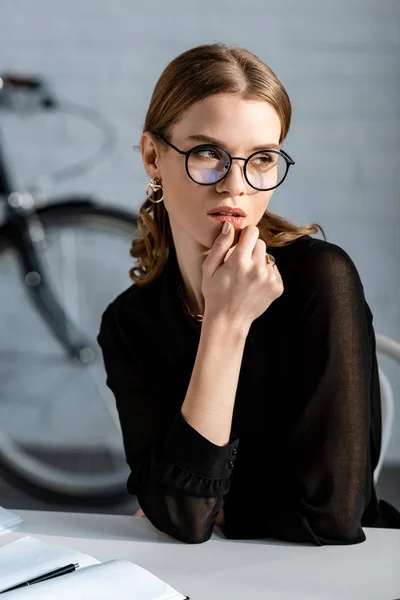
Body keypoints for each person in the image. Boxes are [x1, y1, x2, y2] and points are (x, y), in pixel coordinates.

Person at [97, 43, 400, 545]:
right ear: (153, 156)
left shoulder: (320, 278)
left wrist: (211, 502)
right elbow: (184, 518)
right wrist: (226, 324)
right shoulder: (130, 322)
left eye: (261, 159)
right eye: (208, 153)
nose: (235, 185)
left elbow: (335, 518)